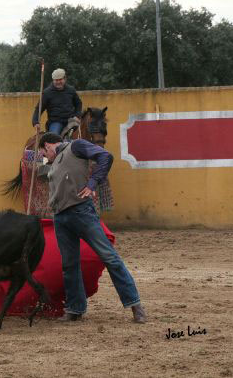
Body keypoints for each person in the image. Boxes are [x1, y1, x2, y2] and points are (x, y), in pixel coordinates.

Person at [38, 132, 147, 324]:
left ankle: (135, 305)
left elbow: (106, 156)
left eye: (44, 152)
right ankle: (75, 309)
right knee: (69, 265)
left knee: (108, 256)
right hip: (61, 217)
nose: (46, 157)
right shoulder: (53, 164)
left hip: (81, 211)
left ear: (47, 145)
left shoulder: (76, 146)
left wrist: (92, 183)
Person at [32, 68, 82, 136]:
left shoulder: (71, 90)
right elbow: (38, 109)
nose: (58, 82)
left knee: (82, 135)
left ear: (65, 79)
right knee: (54, 138)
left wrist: (77, 115)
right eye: (56, 80)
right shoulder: (47, 93)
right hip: (55, 122)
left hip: (71, 120)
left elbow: (78, 104)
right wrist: (35, 122)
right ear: (53, 80)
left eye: (60, 79)